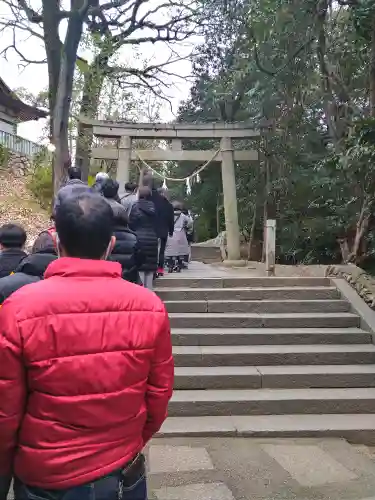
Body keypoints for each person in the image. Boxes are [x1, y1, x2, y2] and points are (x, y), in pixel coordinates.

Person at [0, 193, 174, 500]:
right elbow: (159, 396)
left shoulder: (18, 309)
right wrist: (131, 441)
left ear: (57, 244)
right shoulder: (150, 307)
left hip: (46, 475)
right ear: (110, 245)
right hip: (122, 470)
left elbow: (6, 409)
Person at [101, 178, 144, 283]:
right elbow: (139, 259)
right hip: (126, 278)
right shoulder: (133, 238)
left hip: (105, 277)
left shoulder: (97, 207)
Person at [129, 186, 158, 289]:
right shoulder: (154, 208)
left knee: (140, 270)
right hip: (152, 239)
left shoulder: (135, 206)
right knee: (149, 271)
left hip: (139, 238)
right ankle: (150, 295)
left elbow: (131, 223)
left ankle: (141, 297)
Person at [165, 201, 193, 272]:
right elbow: (190, 222)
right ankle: (179, 265)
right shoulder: (183, 216)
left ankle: (170, 266)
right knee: (180, 252)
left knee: (170, 252)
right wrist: (186, 227)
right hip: (181, 234)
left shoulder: (168, 215)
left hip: (170, 234)